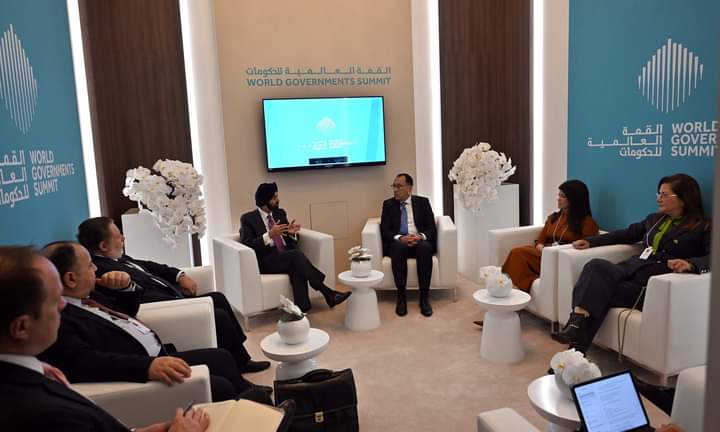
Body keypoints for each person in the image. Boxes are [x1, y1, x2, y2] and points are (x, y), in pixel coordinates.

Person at [0, 245, 210, 431]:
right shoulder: (39, 412)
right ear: (22, 327)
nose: (63, 305)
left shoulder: (36, 374)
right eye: (55, 300)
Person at [39, 242, 272, 405]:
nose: (96, 269)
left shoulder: (89, 294)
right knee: (220, 385)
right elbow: (86, 362)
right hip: (144, 365)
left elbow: (128, 311)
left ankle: (248, 394)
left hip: (158, 352)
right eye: (90, 265)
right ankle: (244, 406)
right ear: (71, 278)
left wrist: (126, 288)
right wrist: (146, 367)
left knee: (222, 357)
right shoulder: (59, 319)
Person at [77, 216, 270, 374]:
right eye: (119, 236)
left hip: (175, 296)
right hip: (167, 305)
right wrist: (180, 301)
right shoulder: (105, 271)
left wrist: (180, 275)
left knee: (218, 298)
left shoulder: (117, 257)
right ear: (104, 246)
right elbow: (138, 298)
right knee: (217, 314)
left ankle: (241, 356)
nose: (123, 238)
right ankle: (239, 362)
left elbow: (151, 267)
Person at [552, 173, 711, 353]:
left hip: (649, 283)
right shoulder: (654, 219)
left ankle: (574, 350)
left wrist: (690, 264)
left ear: (683, 198)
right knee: (595, 265)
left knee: (598, 292)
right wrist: (591, 241)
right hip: (630, 268)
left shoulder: (702, 226)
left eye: (665, 194)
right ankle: (575, 331)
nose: (659, 198)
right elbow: (626, 234)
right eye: (658, 193)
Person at [239, 182, 351, 312]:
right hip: (266, 260)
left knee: (296, 266)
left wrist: (292, 234)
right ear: (264, 201)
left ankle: (302, 309)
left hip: (285, 256)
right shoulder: (248, 219)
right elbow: (248, 244)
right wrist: (269, 235)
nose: (278, 200)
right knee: (295, 256)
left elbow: (288, 238)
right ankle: (327, 292)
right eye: (274, 198)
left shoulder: (280, 213)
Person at [503, 180, 599, 291]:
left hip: (562, 260)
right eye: (559, 195)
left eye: (563, 196)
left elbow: (587, 250)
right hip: (545, 255)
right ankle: (511, 287)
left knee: (519, 252)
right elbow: (540, 240)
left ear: (574, 199)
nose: (558, 199)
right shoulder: (553, 218)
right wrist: (541, 247)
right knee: (518, 253)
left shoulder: (587, 223)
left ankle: (509, 287)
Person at [381, 173, 437, 317]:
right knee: (397, 248)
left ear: (409, 188)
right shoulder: (388, 205)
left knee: (425, 248)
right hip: (400, 242)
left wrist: (420, 236)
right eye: (394, 186)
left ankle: (424, 298)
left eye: (399, 186)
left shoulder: (423, 202)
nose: (395, 189)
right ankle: (401, 297)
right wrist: (401, 238)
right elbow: (385, 231)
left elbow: (431, 229)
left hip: (419, 241)